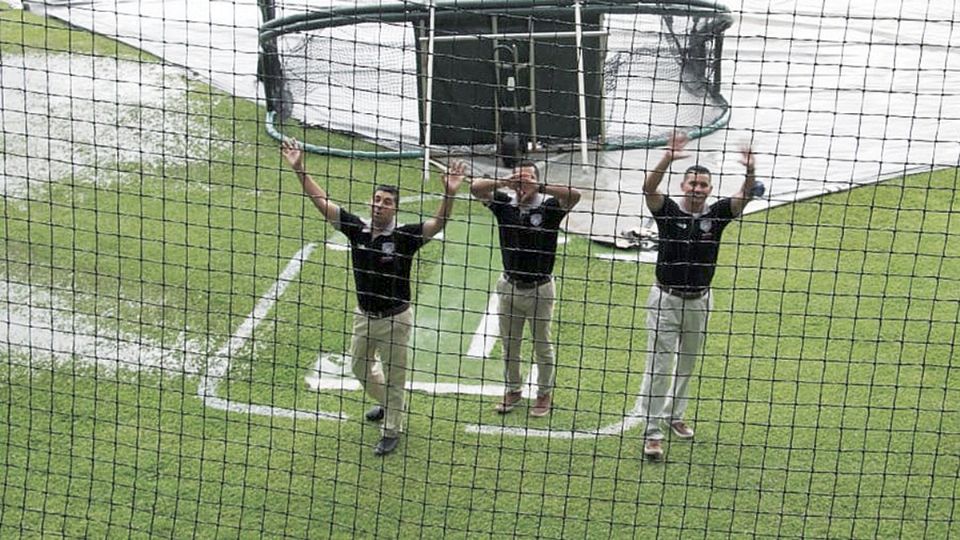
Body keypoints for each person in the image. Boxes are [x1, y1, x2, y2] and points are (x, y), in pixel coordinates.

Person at [281, 139, 464, 456]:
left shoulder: (405, 237)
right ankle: (388, 405)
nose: (379, 205)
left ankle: (392, 428)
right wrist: (300, 169)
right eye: (377, 200)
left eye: (387, 202)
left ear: (395, 208)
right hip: (364, 316)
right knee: (359, 368)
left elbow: (438, 224)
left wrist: (449, 193)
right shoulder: (357, 230)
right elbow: (322, 202)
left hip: (395, 320)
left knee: (395, 376)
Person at [640, 133, 758, 460]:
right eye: (692, 183)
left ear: (709, 189)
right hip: (665, 300)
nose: (697, 188)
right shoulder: (667, 212)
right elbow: (649, 190)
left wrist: (750, 170)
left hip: (700, 300)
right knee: (660, 365)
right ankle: (652, 432)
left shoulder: (716, 215)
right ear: (683, 186)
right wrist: (666, 158)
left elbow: (744, 196)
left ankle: (675, 415)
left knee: (687, 363)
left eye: (703, 185)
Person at [470, 160, 581, 417]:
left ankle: (543, 394)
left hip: (540, 288)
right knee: (510, 344)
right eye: (519, 178)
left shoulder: (550, 207)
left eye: (528, 178)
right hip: (508, 286)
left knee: (542, 344)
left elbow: (575, 196)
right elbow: (476, 188)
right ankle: (513, 389)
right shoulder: (504, 206)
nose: (523, 183)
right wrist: (504, 182)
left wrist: (538, 186)